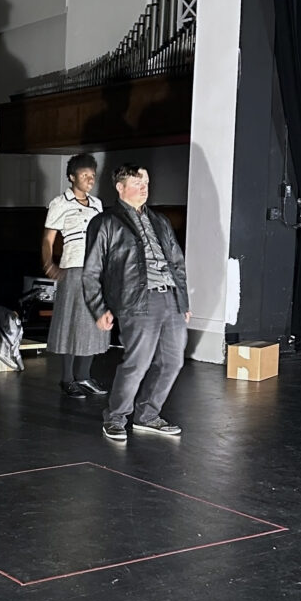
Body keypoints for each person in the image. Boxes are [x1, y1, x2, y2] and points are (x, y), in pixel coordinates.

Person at [82, 164, 191, 442]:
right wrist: (98, 307)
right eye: (137, 182)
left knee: (173, 361)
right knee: (137, 363)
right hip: (138, 301)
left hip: (171, 298)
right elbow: (92, 270)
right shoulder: (105, 222)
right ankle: (116, 417)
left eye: (146, 182)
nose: (144, 187)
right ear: (120, 187)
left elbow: (177, 262)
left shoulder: (160, 220)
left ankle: (147, 415)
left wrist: (183, 299)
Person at [42, 154, 110, 399]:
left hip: (96, 269)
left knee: (94, 322)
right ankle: (67, 378)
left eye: (93, 175)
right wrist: (49, 264)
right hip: (73, 267)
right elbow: (49, 239)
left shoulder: (97, 204)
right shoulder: (60, 203)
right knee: (71, 323)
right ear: (72, 177)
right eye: (85, 176)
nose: (90, 180)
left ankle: (85, 375)